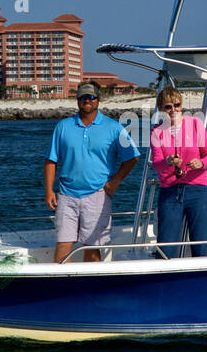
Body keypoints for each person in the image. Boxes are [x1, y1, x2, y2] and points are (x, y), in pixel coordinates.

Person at [44, 81, 140, 263]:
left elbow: (132, 157)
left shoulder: (114, 127)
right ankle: (64, 289)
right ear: (77, 100)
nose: (87, 100)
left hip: (98, 195)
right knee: (63, 245)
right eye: (83, 97)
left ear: (98, 99)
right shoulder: (63, 126)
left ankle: (89, 290)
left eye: (91, 96)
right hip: (66, 195)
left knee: (92, 247)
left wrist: (115, 181)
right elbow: (51, 160)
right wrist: (49, 190)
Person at [149, 86, 207, 257]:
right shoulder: (156, 132)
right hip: (170, 192)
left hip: (198, 191)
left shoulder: (195, 123)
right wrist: (168, 161)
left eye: (177, 105)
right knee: (166, 250)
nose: (173, 110)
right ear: (161, 109)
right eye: (168, 107)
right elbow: (157, 164)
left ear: (181, 105)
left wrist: (200, 163)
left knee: (202, 248)